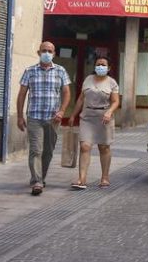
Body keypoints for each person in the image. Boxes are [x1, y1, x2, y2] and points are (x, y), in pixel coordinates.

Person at [17, 41, 71, 196]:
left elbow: (66, 93)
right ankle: (37, 181)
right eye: (44, 50)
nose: (47, 53)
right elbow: (21, 95)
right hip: (34, 117)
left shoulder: (60, 71)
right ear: (38, 52)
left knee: (48, 151)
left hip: (53, 118)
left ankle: (41, 177)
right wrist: (20, 116)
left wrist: (62, 111)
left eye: (50, 51)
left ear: (54, 53)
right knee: (36, 150)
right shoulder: (30, 71)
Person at [68, 56, 120, 190]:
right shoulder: (88, 80)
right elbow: (80, 99)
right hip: (87, 117)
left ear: (108, 68)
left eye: (103, 65)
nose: (100, 67)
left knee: (104, 147)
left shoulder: (112, 82)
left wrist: (109, 112)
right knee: (85, 146)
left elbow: (115, 101)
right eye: (98, 64)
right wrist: (73, 115)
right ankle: (82, 179)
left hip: (104, 118)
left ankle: (105, 177)